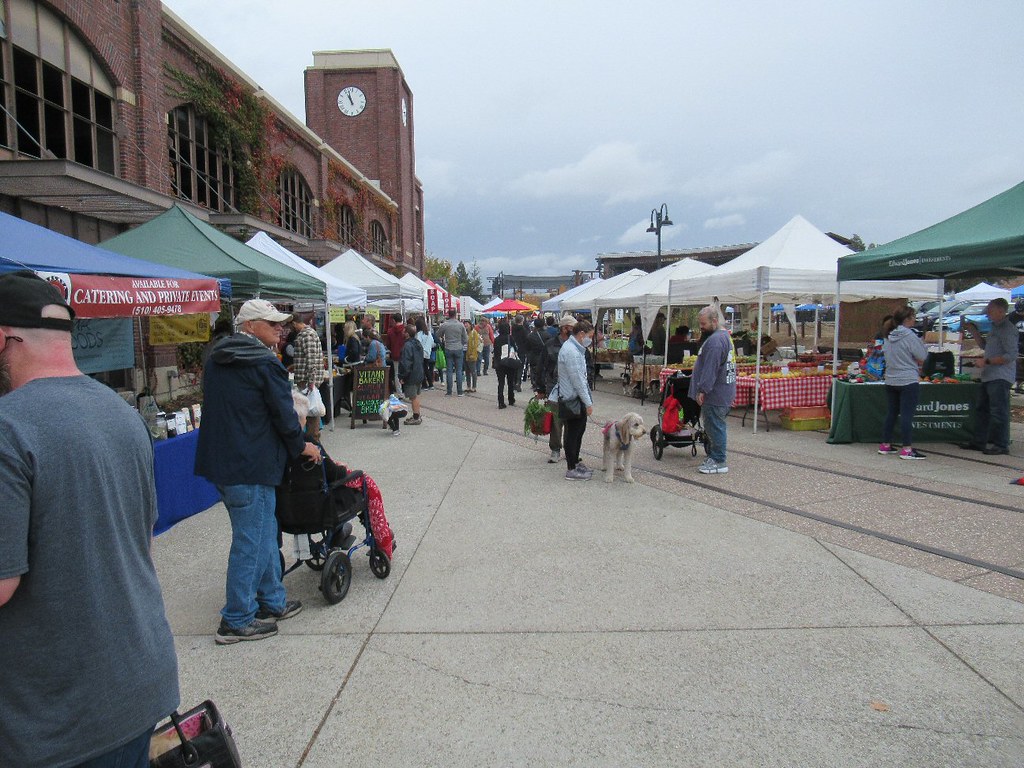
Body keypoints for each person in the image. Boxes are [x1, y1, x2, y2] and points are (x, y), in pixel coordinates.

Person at [0, 271, 179, 766]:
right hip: (138, 680)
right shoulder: (121, 412)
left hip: (58, 717)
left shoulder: (8, 428)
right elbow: (142, 539)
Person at [196, 298, 321, 644]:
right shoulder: (263, 363)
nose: (280, 329)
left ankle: (272, 600)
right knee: (251, 540)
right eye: (271, 323)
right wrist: (303, 445)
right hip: (250, 464)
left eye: (281, 323)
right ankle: (236, 618)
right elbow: (284, 417)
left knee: (264, 532)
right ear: (249, 326)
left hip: (224, 463)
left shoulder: (219, 357)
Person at [960, 297, 1019, 455]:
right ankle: (979, 441)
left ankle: (1001, 444)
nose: (987, 312)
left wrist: (987, 361)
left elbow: (1011, 355)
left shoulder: (1008, 329)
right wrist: (973, 331)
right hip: (988, 375)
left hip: (1000, 376)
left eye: (990, 309)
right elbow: (986, 346)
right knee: (982, 409)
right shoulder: (995, 327)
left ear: (1001, 311)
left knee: (998, 411)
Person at [689, 305, 737, 474]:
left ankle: (719, 460)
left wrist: (702, 389)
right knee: (715, 425)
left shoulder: (716, 341)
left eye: (703, 324)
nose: (701, 327)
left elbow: (711, 368)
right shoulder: (724, 337)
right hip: (723, 391)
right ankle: (716, 456)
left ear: (714, 321)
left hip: (716, 394)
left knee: (715, 426)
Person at [878, 306, 928, 459]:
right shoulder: (910, 336)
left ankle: (885, 444)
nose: (915, 320)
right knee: (907, 414)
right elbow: (922, 356)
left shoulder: (889, 336)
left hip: (891, 379)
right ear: (907, 319)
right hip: (908, 379)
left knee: (892, 412)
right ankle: (907, 448)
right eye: (913, 317)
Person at [535, 313, 577, 463]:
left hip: (573, 388)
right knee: (556, 421)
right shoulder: (550, 344)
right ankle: (555, 450)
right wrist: (540, 387)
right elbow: (541, 366)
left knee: (572, 422)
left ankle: (571, 450)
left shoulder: (577, 344)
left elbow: (587, 365)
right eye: (572, 327)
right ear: (564, 328)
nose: (574, 330)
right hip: (554, 388)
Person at [557, 319, 596, 480]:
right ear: (581, 334)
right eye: (589, 336)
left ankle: (575, 462)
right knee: (573, 434)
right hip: (572, 398)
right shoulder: (571, 351)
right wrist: (588, 402)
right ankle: (571, 468)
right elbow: (578, 381)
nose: (590, 339)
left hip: (574, 397)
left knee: (578, 432)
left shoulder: (575, 348)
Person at [291, 311, 326, 439]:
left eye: (291, 326)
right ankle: (312, 439)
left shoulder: (306, 335)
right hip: (307, 380)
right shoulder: (308, 334)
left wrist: (311, 382)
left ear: (294, 323)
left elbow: (311, 360)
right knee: (310, 411)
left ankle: (313, 441)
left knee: (311, 412)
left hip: (307, 380)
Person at [397, 322, 424, 425]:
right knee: (416, 395)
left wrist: (402, 376)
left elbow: (406, 362)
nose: (403, 333)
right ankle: (416, 415)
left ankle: (416, 417)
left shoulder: (407, 345)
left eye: (404, 331)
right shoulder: (417, 343)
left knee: (413, 397)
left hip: (412, 374)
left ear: (407, 333)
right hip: (418, 372)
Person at [438, 308, 468, 396]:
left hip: (448, 348)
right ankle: (459, 391)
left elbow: (438, 335)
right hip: (458, 348)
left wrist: (444, 340)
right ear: (455, 314)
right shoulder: (461, 325)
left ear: (448, 314)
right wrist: (460, 343)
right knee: (459, 370)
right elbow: (465, 339)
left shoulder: (444, 325)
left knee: (449, 370)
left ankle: (449, 391)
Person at [492, 319, 520, 409]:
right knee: (510, 381)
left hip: (499, 363)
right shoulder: (510, 338)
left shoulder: (496, 339)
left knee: (501, 383)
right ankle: (511, 399)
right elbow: (515, 349)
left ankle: (501, 401)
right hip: (509, 362)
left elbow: (495, 352)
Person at [386, 313, 407, 392]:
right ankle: (406, 390)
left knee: (397, 374)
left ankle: (399, 392)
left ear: (394, 320)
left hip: (395, 355)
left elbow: (388, 345)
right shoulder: (406, 329)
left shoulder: (390, 331)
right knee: (406, 372)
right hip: (406, 355)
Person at [416, 317, 435, 390]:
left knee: (422, 369)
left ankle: (424, 384)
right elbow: (433, 343)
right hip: (428, 353)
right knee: (426, 368)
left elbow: (418, 343)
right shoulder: (429, 333)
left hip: (421, 353)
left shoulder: (419, 334)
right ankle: (430, 384)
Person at [511, 315, 530, 390]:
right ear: (522, 320)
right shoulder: (523, 329)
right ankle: (518, 382)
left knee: (514, 366)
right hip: (522, 349)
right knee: (520, 366)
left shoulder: (513, 328)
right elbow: (527, 339)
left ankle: (513, 382)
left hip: (514, 349)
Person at [464, 320, 480, 392]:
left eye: (467, 324)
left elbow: (475, 344)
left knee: (473, 371)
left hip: (471, 354)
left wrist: (472, 354)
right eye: (465, 324)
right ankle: (468, 386)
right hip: (464, 353)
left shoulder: (474, 333)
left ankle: (474, 387)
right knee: (467, 371)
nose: (465, 325)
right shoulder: (464, 332)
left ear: (470, 325)